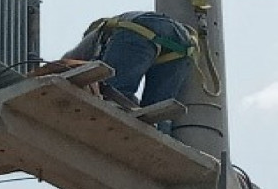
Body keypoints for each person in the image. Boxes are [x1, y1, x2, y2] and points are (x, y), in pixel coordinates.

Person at [63, 11, 195, 132]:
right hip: (182, 41)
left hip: (141, 27)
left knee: (114, 94)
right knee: (158, 112)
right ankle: (162, 138)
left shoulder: (94, 40)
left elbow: (63, 64)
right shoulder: (110, 31)